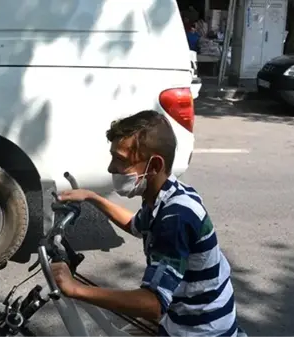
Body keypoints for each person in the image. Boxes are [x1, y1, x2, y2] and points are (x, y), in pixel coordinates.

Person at [51, 110, 247, 336]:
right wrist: (91, 197)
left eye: (121, 160)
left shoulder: (176, 218)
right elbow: (135, 224)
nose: (111, 168)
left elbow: (153, 305)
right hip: (182, 315)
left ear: (154, 166)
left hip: (198, 329)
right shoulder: (166, 194)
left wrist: (75, 289)